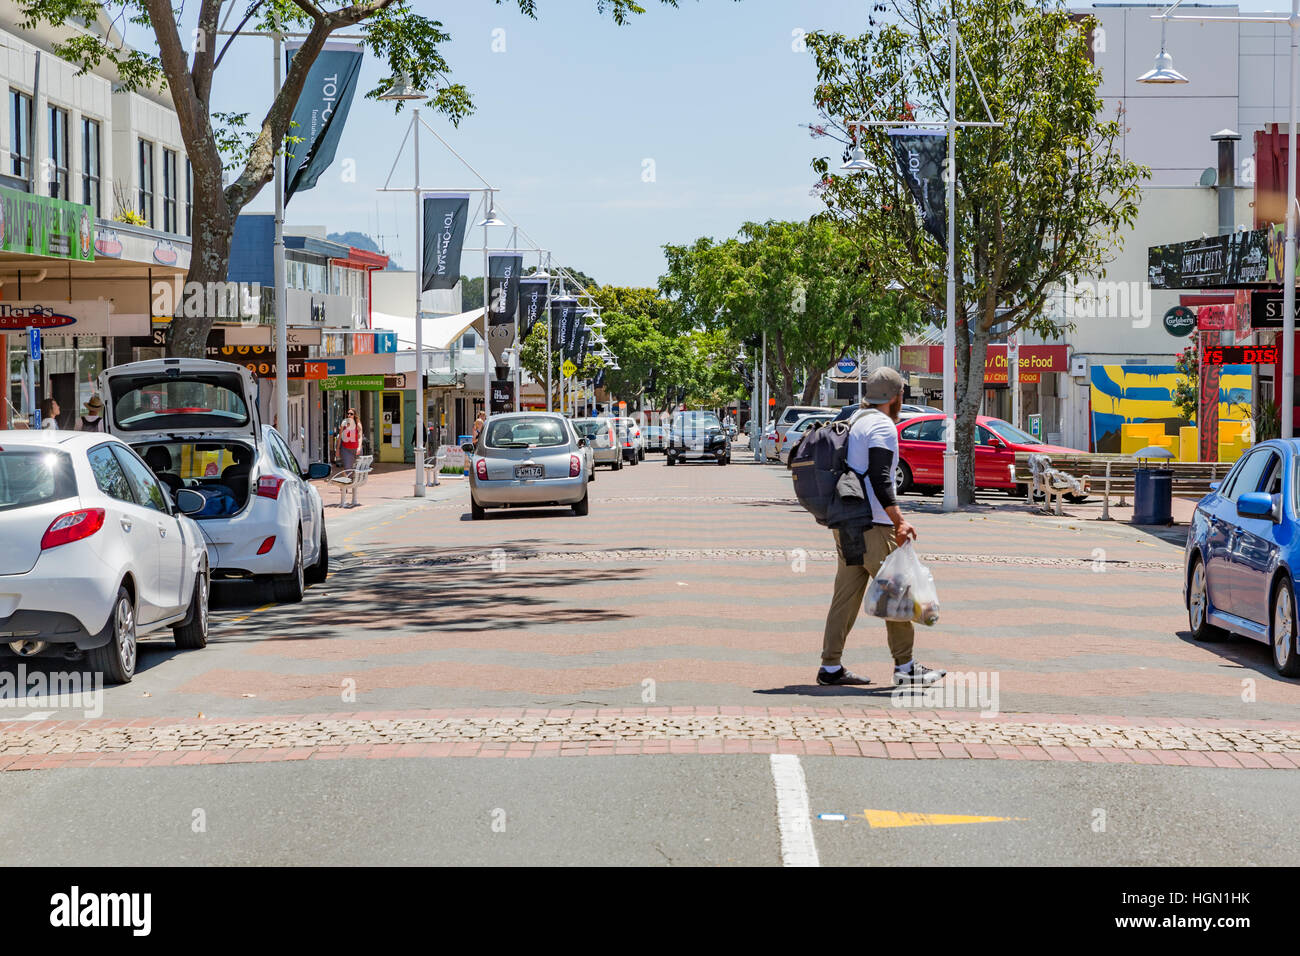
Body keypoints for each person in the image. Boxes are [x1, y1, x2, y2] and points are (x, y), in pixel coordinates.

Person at [818, 367, 946, 687]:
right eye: (902, 394)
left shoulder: (857, 420)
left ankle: (830, 666)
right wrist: (899, 519)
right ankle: (906, 669)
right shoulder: (882, 426)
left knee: (844, 596)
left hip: (846, 520)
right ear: (895, 397)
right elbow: (879, 477)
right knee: (897, 592)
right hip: (872, 524)